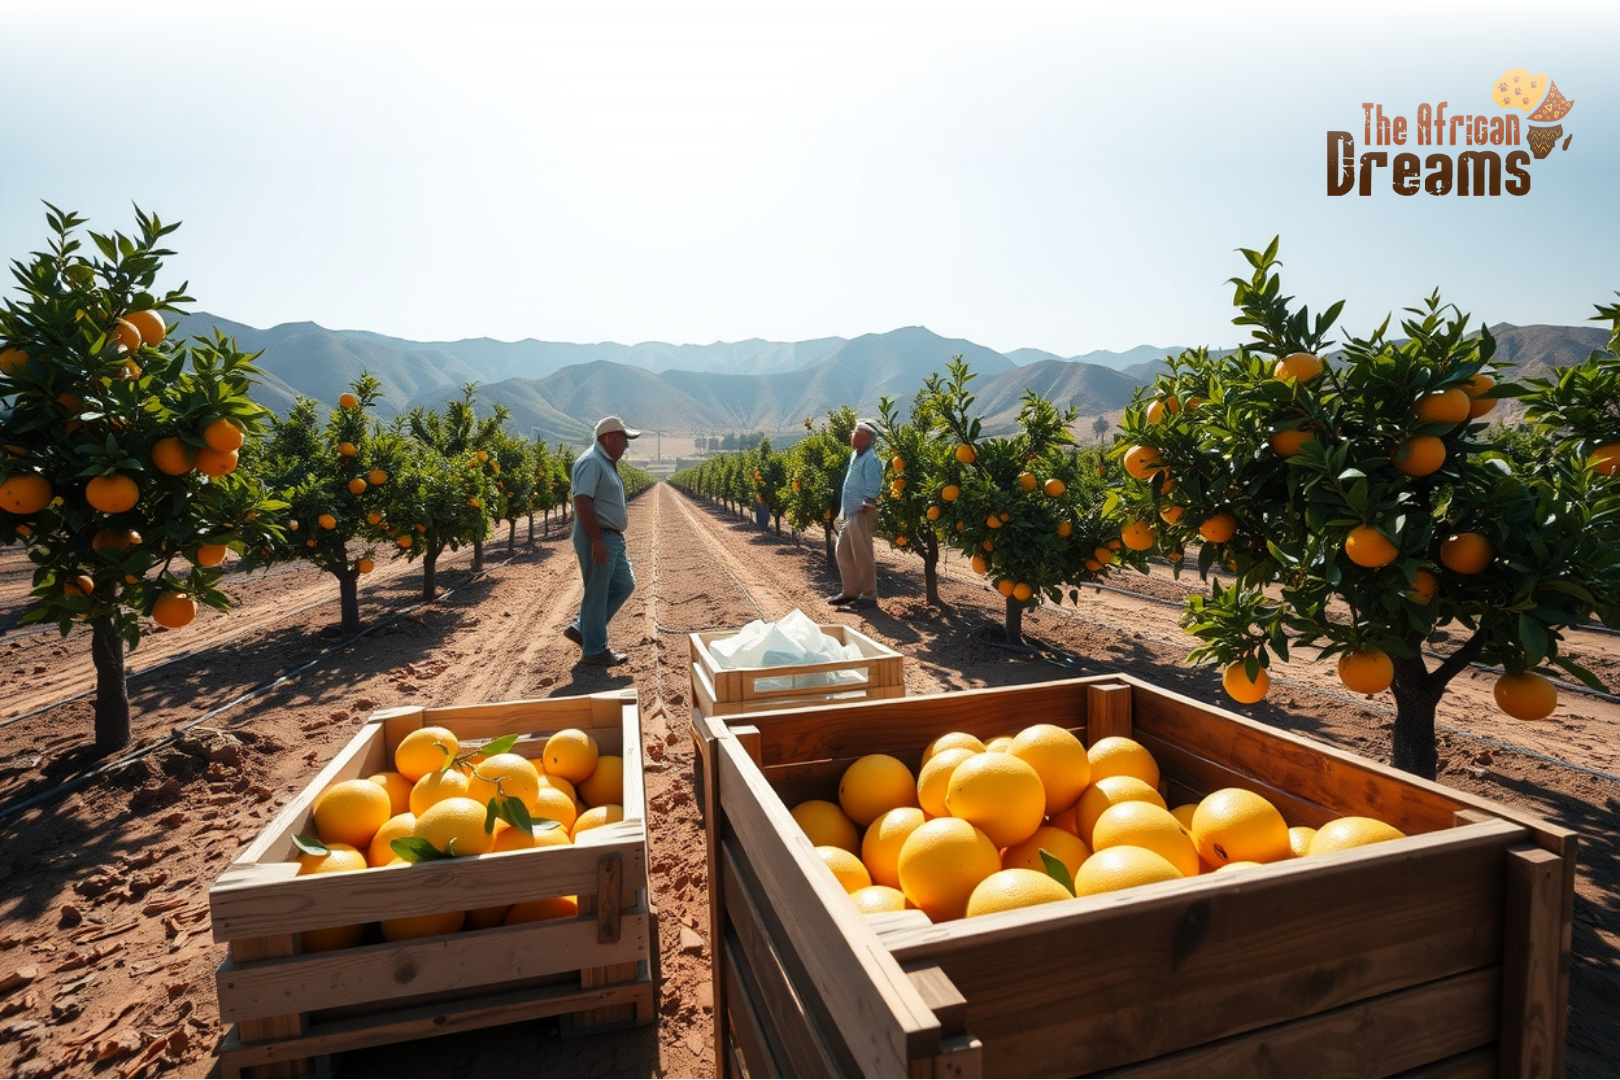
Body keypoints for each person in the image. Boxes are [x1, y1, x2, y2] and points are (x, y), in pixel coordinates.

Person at [564, 416, 639, 666]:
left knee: (624, 584)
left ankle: (582, 627)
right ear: (606, 438)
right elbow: (582, 500)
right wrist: (596, 540)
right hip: (598, 535)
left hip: (610, 537)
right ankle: (595, 650)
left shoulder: (604, 462)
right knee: (597, 593)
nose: (626, 444)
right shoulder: (592, 462)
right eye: (623, 438)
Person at [830, 420, 882, 608]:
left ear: (868, 439)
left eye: (858, 435)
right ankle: (850, 592)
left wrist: (866, 505)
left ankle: (869, 596)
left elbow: (874, 486)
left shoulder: (871, 459)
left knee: (862, 555)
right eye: (854, 434)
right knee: (842, 552)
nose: (853, 437)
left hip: (860, 512)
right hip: (849, 512)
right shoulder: (856, 454)